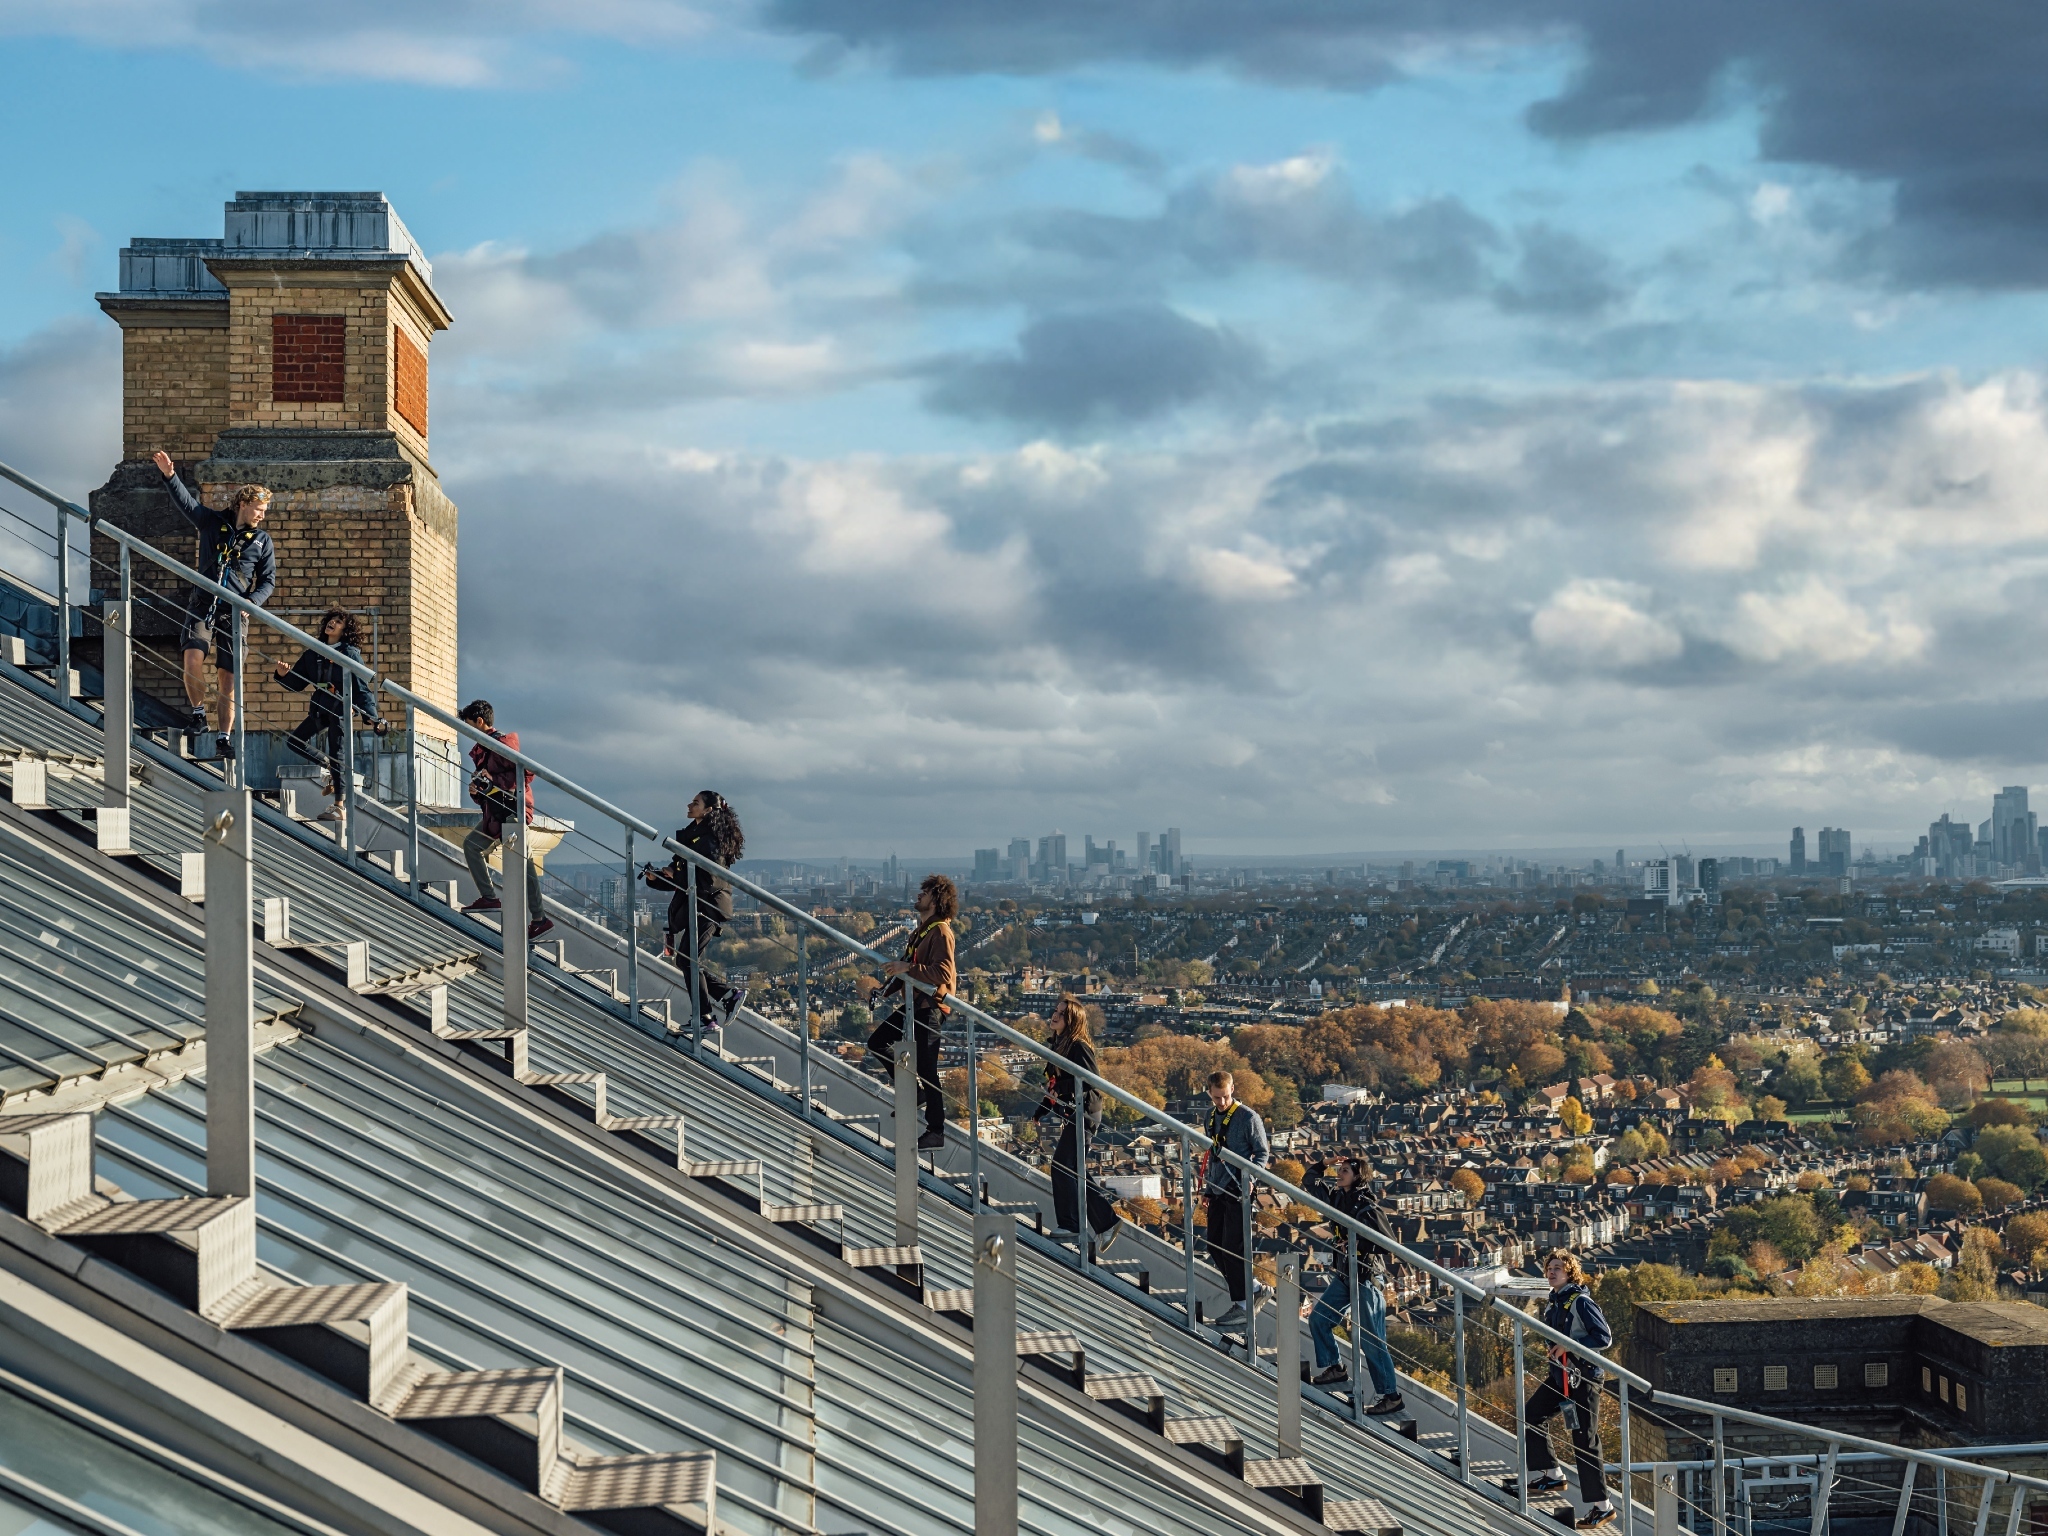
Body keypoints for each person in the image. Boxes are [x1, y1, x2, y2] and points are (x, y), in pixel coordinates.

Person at [151, 450, 276, 759]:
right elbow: (187, 504)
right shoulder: (211, 522)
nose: (262, 515)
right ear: (243, 504)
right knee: (193, 656)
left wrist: (252, 602)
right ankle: (197, 715)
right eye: (259, 509)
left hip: (235, 613)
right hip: (203, 603)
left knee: (228, 677)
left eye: (264, 511)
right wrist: (170, 476)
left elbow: (268, 581)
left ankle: (224, 737)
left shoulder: (262, 541)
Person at [1502, 1250, 1616, 1530]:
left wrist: (1568, 1345)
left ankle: (1603, 1507)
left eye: (1558, 1268)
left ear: (1570, 1273)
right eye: (1549, 1268)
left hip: (1584, 1377)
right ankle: (1552, 1473)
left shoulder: (1581, 1302)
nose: (1552, 1272)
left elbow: (1604, 1337)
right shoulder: (1554, 1303)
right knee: (1532, 1413)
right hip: (1561, 1374)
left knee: (1584, 1438)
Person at [273, 608, 387, 828]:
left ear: (345, 630)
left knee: (338, 753)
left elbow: (362, 689)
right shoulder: (313, 652)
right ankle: (325, 766)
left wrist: (373, 717)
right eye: (330, 620)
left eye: (338, 622)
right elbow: (297, 684)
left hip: (340, 709)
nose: (332, 623)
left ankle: (338, 806)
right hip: (319, 708)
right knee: (295, 742)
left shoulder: (350, 653)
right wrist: (282, 675)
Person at [642, 790, 748, 1029]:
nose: (689, 805)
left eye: (695, 803)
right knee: (685, 961)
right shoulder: (694, 837)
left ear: (709, 809)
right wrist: (656, 878)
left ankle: (706, 1016)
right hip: (700, 905)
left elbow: (707, 879)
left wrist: (675, 873)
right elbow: (683, 878)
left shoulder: (710, 841)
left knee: (688, 960)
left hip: (708, 907)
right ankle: (726, 998)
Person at [1305, 1157, 1402, 1413]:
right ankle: (1334, 1368)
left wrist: (1358, 1244)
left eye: (1345, 1171)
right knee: (1318, 1319)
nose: (1338, 1173)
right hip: (1345, 1275)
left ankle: (1391, 1396)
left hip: (1365, 1277)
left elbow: (1389, 1244)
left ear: (1358, 1176)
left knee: (1371, 1341)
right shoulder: (1337, 1198)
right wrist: (1323, 1163)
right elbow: (1309, 1181)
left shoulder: (1367, 1207)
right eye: (1338, 1169)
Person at [867, 873, 957, 1151]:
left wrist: (907, 969)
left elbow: (944, 972)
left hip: (930, 1006)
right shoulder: (921, 932)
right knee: (877, 1042)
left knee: (928, 1068)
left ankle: (936, 1130)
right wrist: (885, 990)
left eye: (925, 892)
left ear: (937, 899)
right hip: (916, 1004)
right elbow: (907, 967)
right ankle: (915, 1094)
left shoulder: (941, 930)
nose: (919, 896)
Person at [1030, 996, 1123, 1255]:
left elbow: (1091, 1080)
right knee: (1073, 1169)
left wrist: (1063, 1091)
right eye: (1056, 1011)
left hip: (1086, 1113)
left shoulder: (1078, 1046)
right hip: (1076, 1113)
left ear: (1073, 1021)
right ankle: (1105, 1222)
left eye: (1062, 1013)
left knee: (1062, 1165)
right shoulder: (1059, 1044)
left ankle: (1071, 1224)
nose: (1055, 1015)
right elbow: (1055, 1084)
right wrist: (1043, 1109)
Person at [457, 699, 552, 941]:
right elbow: (493, 788)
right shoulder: (485, 748)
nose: (468, 733)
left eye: (469, 727)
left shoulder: (501, 744)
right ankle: (490, 897)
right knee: (472, 845)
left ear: (480, 722)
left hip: (513, 811)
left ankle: (539, 919)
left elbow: (525, 773)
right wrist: (479, 791)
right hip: (497, 812)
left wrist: (493, 779)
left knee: (525, 862)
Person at [1202, 1069, 1270, 1331]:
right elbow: (1213, 1152)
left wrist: (1251, 1178)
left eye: (1225, 1097)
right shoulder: (1209, 1116)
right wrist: (1208, 1189)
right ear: (1209, 1093)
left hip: (1239, 1188)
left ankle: (1243, 1304)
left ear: (1233, 1090)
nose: (1221, 1103)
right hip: (1218, 1187)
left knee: (1233, 1245)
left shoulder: (1248, 1118)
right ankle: (1253, 1289)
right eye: (1216, 1098)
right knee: (1214, 1245)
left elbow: (1262, 1154)